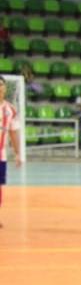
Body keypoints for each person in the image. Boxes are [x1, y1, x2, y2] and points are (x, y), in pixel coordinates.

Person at [0, 80, 22, 229]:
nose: (0, 87)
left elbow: (13, 133)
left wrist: (18, 153)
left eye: (1, 84)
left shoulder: (10, 109)